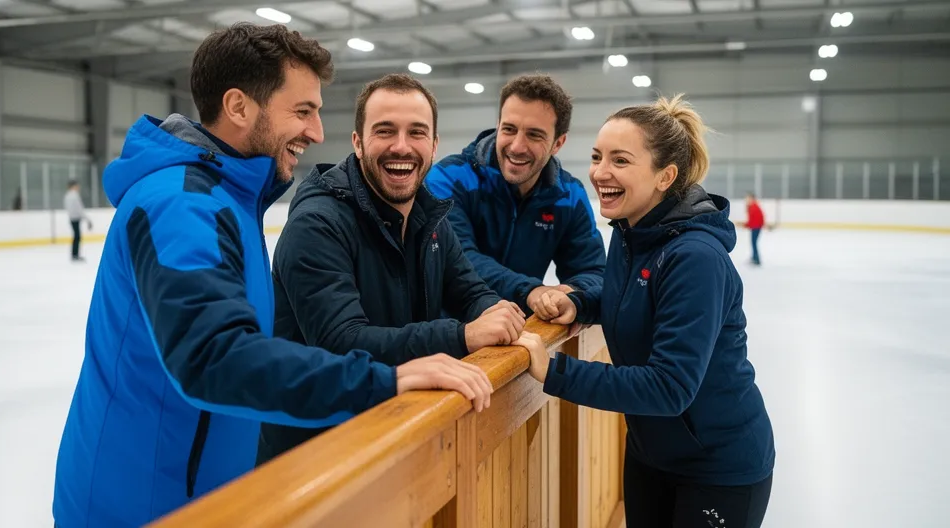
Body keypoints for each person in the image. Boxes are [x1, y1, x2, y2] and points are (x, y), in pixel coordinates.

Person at [51, 23, 493, 528]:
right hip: (144, 508)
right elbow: (216, 357)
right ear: (239, 107)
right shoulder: (183, 205)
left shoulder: (229, 199)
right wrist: (383, 380)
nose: (317, 132)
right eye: (302, 111)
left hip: (207, 496)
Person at [518, 95, 775, 527]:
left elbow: (669, 386)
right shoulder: (630, 233)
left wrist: (556, 371)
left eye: (620, 160)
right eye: (597, 157)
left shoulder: (695, 257)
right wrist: (578, 302)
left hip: (719, 468)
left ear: (665, 176)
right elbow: (630, 298)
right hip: (651, 453)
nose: (600, 172)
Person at [262, 73, 526, 462]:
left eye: (416, 132)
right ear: (358, 142)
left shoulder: (427, 215)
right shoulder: (317, 224)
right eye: (385, 131)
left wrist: (495, 310)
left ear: (433, 146)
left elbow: (468, 290)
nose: (401, 146)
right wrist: (463, 336)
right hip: (316, 452)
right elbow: (343, 343)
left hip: (395, 429)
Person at [425, 74, 605, 316]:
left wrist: (571, 293)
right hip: (449, 330)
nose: (517, 146)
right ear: (498, 125)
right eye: (509, 129)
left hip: (519, 332)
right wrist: (530, 291)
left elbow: (594, 272)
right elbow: (458, 260)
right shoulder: (448, 178)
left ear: (558, 143)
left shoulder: (569, 196)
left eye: (534, 135)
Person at [63, 180, 91, 261]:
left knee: (76, 236)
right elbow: (79, 208)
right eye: (77, 185)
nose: (78, 187)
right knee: (77, 236)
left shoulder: (67, 195)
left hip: (72, 218)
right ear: (73, 186)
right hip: (76, 218)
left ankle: (74, 254)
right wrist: (87, 219)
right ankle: (75, 255)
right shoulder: (74, 195)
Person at [745, 192, 765, 265]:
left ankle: (756, 259)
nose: (746, 199)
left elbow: (758, 219)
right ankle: (754, 257)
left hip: (756, 227)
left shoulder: (754, 207)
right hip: (755, 227)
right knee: (753, 243)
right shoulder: (752, 206)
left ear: (752, 198)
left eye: (748, 198)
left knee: (754, 243)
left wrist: (747, 225)